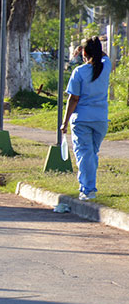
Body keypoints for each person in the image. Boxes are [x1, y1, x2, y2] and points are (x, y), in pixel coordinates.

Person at [62, 36, 111, 201]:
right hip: (100, 119)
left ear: (84, 53)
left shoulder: (79, 72)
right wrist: (91, 48)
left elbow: (73, 99)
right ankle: (90, 186)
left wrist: (64, 122)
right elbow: (104, 56)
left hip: (82, 119)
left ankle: (88, 189)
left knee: (84, 154)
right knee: (91, 154)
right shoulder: (105, 67)